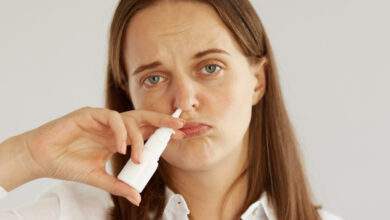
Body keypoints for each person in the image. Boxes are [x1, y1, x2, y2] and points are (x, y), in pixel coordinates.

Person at [0, 0, 344, 219]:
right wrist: (24, 157)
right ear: (128, 95)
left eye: (210, 68)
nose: (183, 101)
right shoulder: (74, 214)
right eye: (153, 78)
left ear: (257, 80)